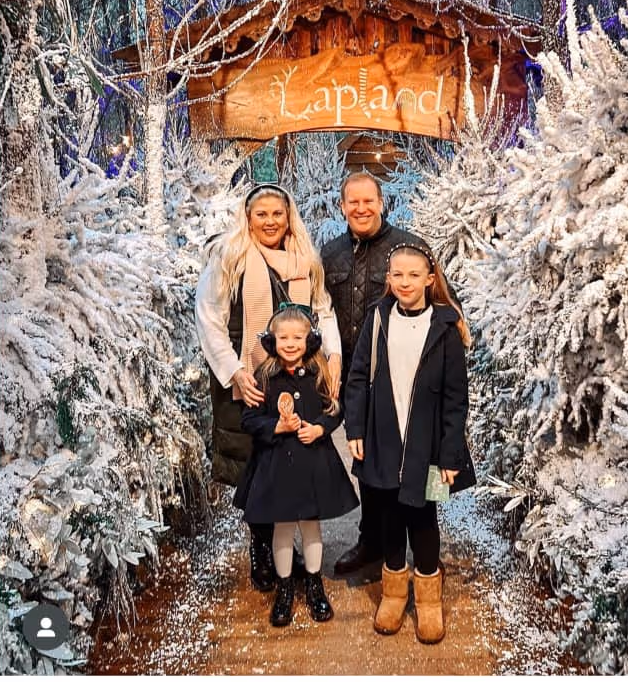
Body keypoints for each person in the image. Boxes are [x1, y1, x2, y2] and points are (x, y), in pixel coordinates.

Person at [195, 184, 342, 591]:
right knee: (256, 464)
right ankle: (262, 547)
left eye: (277, 213)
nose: (270, 221)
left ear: (288, 216)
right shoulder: (230, 257)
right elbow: (209, 317)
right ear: (248, 217)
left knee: (294, 460)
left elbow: (323, 311)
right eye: (261, 214)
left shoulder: (304, 259)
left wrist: (333, 357)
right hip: (249, 379)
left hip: (297, 378)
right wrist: (234, 372)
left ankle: (293, 546)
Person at [345, 244, 475, 643]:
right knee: (389, 517)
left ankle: (429, 599)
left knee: (423, 519)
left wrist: (450, 454)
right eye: (397, 275)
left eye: (413, 275)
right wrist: (355, 429)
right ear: (389, 278)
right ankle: (394, 593)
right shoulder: (378, 319)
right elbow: (358, 377)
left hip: (428, 445)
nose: (405, 282)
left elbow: (456, 399)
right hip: (384, 437)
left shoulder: (444, 328)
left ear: (429, 280)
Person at [320, 173, 433, 576]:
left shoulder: (407, 247)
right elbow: (320, 311)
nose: (361, 208)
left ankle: (420, 543)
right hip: (354, 378)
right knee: (367, 462)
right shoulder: (330, 254)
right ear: (342, 206)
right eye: (353, 202)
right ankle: (372, 541)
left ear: (382, 203)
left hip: (401, 376)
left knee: (412, 458)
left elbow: (437, 303)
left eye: (369, 200)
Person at [236, 306, 358, 627]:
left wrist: (319, 428)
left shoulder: (318, 373)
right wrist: (277, 426)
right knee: (283, 527)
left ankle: (315, 585)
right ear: (273, 340)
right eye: (283, 338)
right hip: (276, 466)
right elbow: (249, 419)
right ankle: (285, 588)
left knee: (311, 526)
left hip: (312, 463)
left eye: (297, 338)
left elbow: (335, 409)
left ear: (309, 340)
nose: (290, 344)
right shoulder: (264, 377)